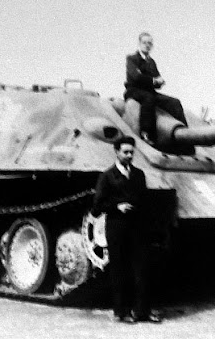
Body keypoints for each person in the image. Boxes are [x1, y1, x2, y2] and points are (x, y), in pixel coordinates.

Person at [92, 135, 162, 324]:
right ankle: (120, 312)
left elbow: (145, 200)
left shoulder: (138, 174)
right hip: (117, 227)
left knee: (142, 269)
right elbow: (97, 205)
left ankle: (142, 311)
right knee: (119, 269)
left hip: (137, 227)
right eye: (126, 152)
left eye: (132, 152)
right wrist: (117, 206)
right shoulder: (107, 176)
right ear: (116, 152)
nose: (130, 155)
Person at [124, 32, 188, 145]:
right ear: (139, 43)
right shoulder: (132, 58)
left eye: (150, 43)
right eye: (144, 43)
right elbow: (136, 77)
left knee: (174, 102)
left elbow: (157, 78)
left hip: (149, 91)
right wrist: (154, 81)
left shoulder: (151, 62)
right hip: (133, 90)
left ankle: (185, 133)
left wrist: (160, 82)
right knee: (149, 99)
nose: (147, 45)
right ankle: (146, 133)